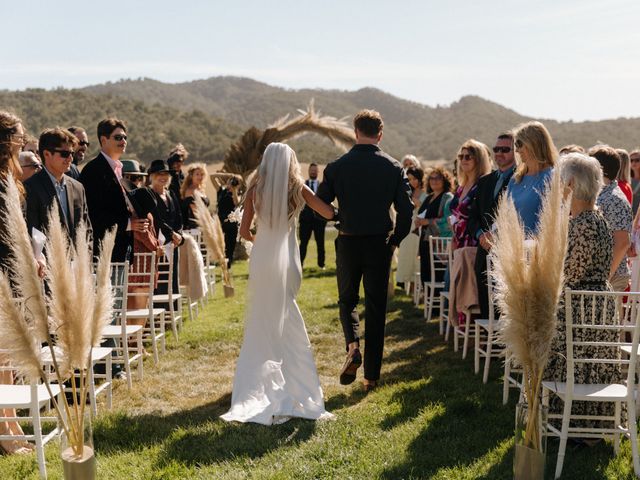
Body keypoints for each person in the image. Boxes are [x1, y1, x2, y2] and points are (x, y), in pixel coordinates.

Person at [221, 142, 335, 425]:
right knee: (287, 313)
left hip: (263, 261)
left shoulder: (255, 189)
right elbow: (328, 213)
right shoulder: (297, 188)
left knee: (263, 318)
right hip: (287, 260)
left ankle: (266, 384)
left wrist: (265, 244)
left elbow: (245, 232)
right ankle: (296, 385)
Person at [317, 109, 413, 392]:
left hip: (347, 240)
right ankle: (371, 376)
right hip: (379, 243)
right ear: (380, 134)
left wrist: (337, 216)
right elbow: (406, 211)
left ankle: (352, 345)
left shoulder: (336, 167)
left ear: (355, 132)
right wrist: (397, 238)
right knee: (376, 307)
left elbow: (321, 206)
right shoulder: (393, 167)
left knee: (347, 300)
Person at [544, 152, 621, 428]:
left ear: (572, 184)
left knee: (579, 365)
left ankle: (578, 426)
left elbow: (572, 272)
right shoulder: (592, 218)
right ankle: (578, 424)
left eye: (560, 182)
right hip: (593, 306)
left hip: (582, 310)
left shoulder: (585, 223)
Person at [0, 110, 36, 455]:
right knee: (0, 358)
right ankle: (5, 432)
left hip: (10, 276)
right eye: (20, 135)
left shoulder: (8, 179)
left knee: (7, 359)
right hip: (2, 278)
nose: (24, 140)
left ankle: (10, 423)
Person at [79, 118, 149, 262]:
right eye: (118, 137)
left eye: (125, 137)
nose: (123, 141)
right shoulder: (93, 171)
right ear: (103, 140)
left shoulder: (119, 169)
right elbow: (93, 214)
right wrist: (129, 224)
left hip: (122, 250)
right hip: (104, 253)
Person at [466, 133, 516, 319]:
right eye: (496, 149)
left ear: (516, 151)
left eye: (505, 149)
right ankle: (489, 344)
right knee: (486, 301)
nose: (499, 153)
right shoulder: (485, 181)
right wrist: (480, 234)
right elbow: (473, 216)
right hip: (484, 250)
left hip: (509, 251)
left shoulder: (521, 180)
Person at [24, 128, 92, 244]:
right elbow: (32, 232)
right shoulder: (30, 188)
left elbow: (87, 231)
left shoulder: (78, 188)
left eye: (71, 153)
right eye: (64, 154)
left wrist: (85, 259)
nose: (70, 158)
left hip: (78, 261)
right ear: (46, 154)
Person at [130, 160, 184, 296]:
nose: (163, 177)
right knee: (159, 280)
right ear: (152, 176)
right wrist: (171, 234)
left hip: (173, 244)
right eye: (159, 174)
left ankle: (170, 311)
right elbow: (156, 219)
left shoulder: (171, 194)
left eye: (166, 174)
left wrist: (179, 235)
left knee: (172, 277)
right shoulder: (148, 194)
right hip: (156, 244)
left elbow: (178, 217)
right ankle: (159, 313)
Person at [590, 145, 632, 291]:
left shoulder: (614, 199)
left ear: (598, 168)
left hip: (610, 278)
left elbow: (622, 243)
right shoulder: (602, 195)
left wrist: (603, 278)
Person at [507, 121, 556, 235]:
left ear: (533, 143)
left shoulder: (553, 177)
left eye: (519, 144)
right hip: (512, 250)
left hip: (541, 249)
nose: (516, 150)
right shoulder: (515, 180)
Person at [449, 139, 492, 250]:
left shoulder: (483, 186)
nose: (463, 160)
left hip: (474, 247)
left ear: (479, 159)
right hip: (458, 245)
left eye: (468, 157)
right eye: (461, 156)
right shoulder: (460, 187)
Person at [414, 166, 454, 286]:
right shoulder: (429, 197)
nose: (434, 180)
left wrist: (428, 222)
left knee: (437, 277)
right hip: (425, 240)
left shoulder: (448, 197)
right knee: (426, 273)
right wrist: (419, 220)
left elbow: (449, 222)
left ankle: (437, 302)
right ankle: (427, 303)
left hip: (439, 244)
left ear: (445, 180)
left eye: (438, 178)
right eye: (431, 178)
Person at [395, 166, 427, 288]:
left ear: (419, 178)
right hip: (407, 226)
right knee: (405, 254)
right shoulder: (407, 192)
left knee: (417, 257)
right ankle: (407, 283)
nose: (412, 181)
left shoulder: (425, 193)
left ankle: (418, 287)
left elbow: (421, 205)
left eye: (414, 178)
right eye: (409, 179)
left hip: (419, 227)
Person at [299, 163, 326, 269]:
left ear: (318, 172)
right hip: (305, 221)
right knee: (303, 244)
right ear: (309, 171)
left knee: (320, 244)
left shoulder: (322, 187)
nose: (313, 172)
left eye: (315, 170)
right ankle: (300, 264)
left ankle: (321, 265)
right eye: (311, 170)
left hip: (319, 221)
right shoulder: (302, 186)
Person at [217, 177, 241, 267]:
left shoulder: (237, 193)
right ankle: (223, 260)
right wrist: (226, 175)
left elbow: (236, 203)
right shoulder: (221, 190)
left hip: (232, 222)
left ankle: (228, 262)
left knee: (231, 243)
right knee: (222, 242)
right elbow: (212, 177)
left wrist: (234, 189)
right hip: (221, 222)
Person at [180, 163, 210, 230]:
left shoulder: (201, 189)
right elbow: (196, 212)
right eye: (197, 174)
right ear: (191, 176)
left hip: (203, 225)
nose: (200, 177)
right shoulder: (190, 191)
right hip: (195, 227)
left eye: (202, 174)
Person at [630, 149, 640, 217]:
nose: (633, 162)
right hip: (629, 218)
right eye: (631, 160)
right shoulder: (626, 180)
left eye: (637, 160)